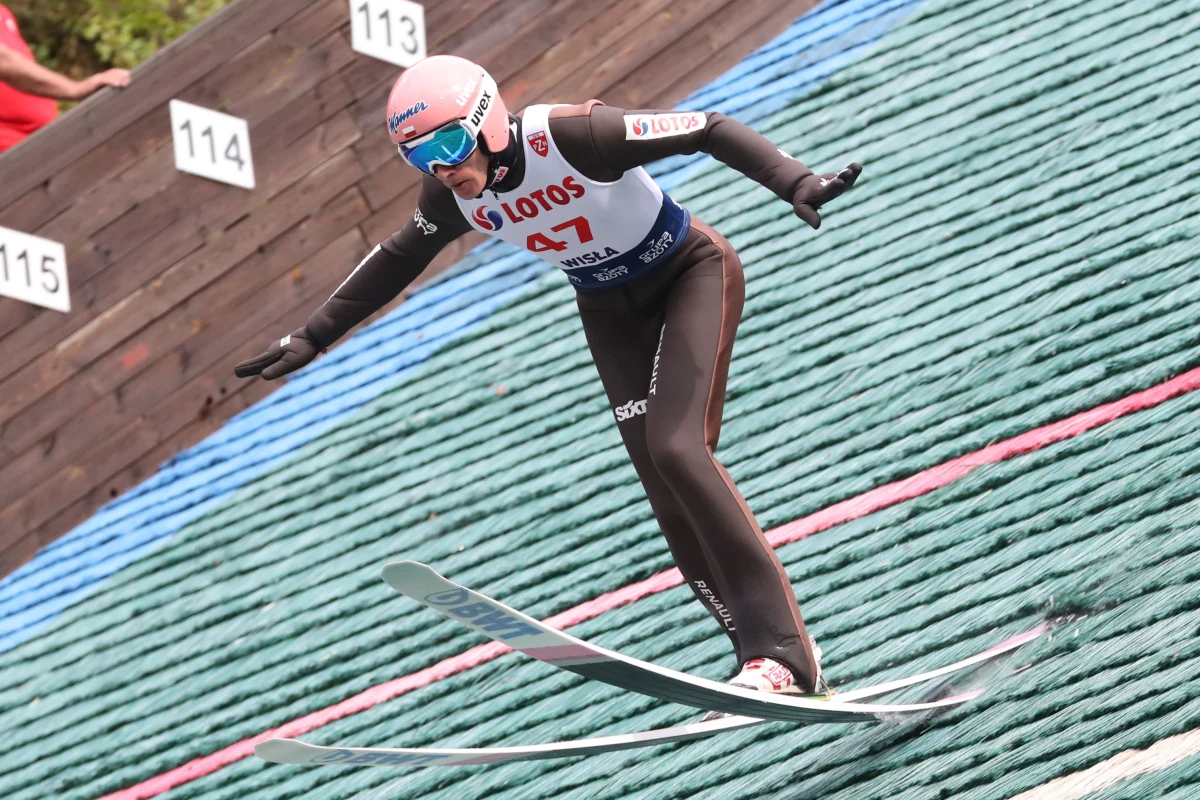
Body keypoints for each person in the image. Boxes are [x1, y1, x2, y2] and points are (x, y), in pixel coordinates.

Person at [235, 55, 860, 700]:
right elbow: (398, 257)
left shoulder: (574, 135)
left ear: (490, 126)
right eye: (419, 159)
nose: (442, 169)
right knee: (661, 480)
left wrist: (794, 182)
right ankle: (758, 661)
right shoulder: (450, 196)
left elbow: (708, 126)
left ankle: (787, 650)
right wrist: (312, 337)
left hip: (689, 274)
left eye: (449, 145)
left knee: (679, 449)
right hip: (606, 308)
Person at [0, 3, 130, 154]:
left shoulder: (3, 13)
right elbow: (3, 60)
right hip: (10, 160)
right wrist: (75, 89)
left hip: (38, 148)